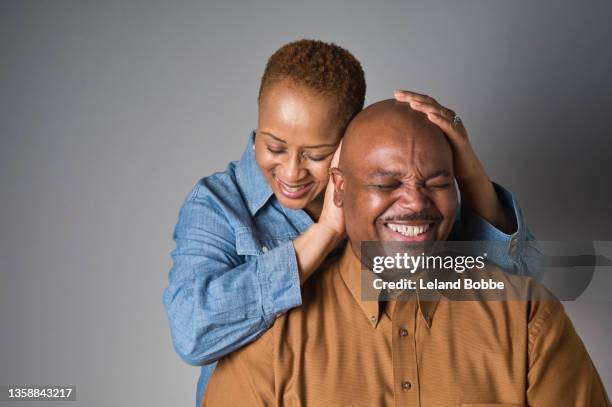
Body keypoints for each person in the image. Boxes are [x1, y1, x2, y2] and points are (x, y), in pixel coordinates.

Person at [162, 39, 541, 406]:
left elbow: (517, 292)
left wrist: (467, 169)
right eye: (274, 147)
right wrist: (326, 233)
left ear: (347, 144)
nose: (291, 172)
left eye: (317, 155)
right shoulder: (217, 205)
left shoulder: (399, 208)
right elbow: (193, 333)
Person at [202, 100, 609, 406]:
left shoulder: (525, 315)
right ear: (340, 190)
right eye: (386, 183)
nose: (415, 203)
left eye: (436, 182)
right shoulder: (272, 334)